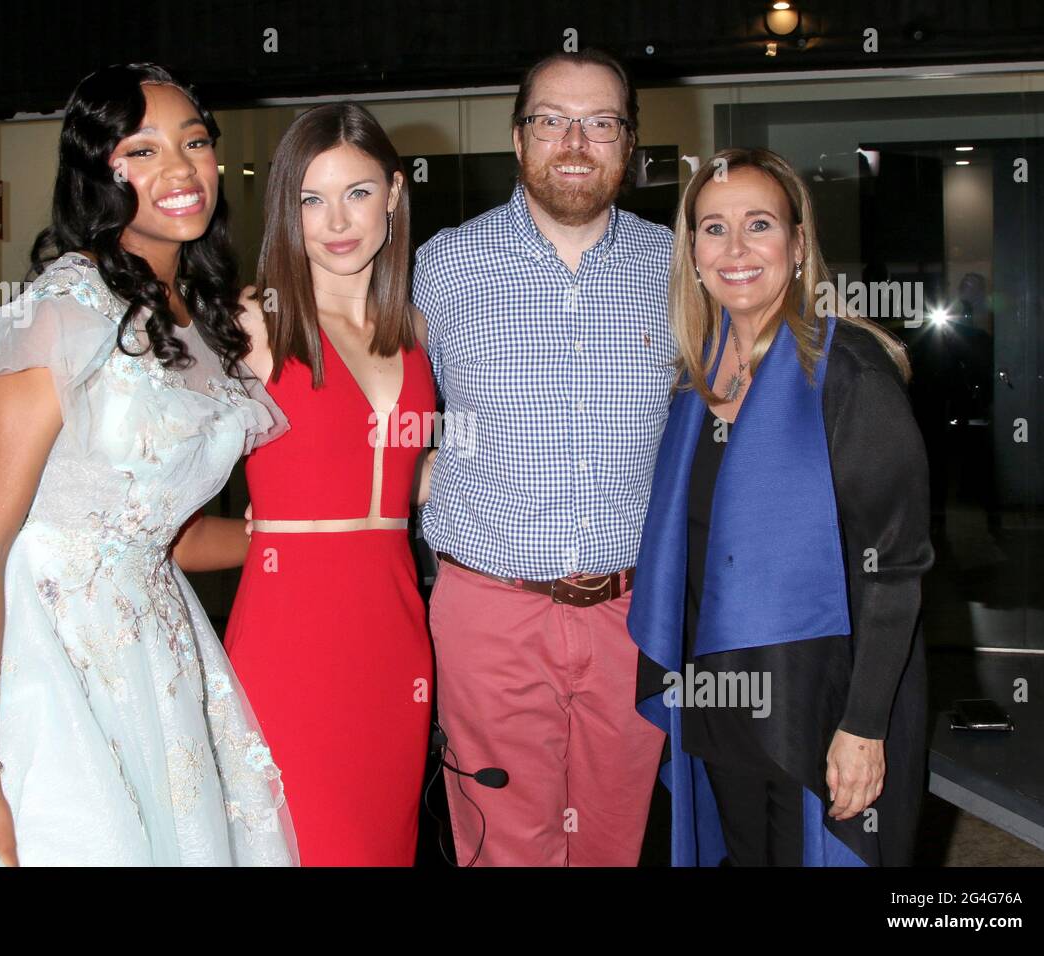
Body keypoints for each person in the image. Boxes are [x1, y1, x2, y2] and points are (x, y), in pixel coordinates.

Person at [0, 64, 297, 866]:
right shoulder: (60, 310)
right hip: (28, 655)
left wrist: (297, 538)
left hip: (156, 652)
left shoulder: (201, 317)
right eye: (143, 151)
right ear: (100, 172)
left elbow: (166, 539)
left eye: (194, 142)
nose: (181, 170)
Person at [628, 146, 932, 866]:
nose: (734, 249)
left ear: (798, 244)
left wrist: (864, 727)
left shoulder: (849, 372)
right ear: (692, 250)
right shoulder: (693, 383)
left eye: (758, 224)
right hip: (718, 698)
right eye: (713, 228)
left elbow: (897, 569)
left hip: (818, 706)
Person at [412, 49, 674, 866]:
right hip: (489, 611)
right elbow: (373, 398)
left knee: (613, 842)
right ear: (518, 140)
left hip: (632, 617)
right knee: (504, 846)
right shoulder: (440, 266)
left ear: (628, 146)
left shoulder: (680, 267)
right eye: (551, 120)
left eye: (600, 123)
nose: (574, 141)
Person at [223, 103, 437, 866]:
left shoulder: (412, 331)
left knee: (384, 845)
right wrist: (248, 530)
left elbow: (408, 483)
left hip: (396, 635)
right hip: (292, 634)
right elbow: (153, 480)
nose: (336, 221)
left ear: (395, 194)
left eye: (356, 193)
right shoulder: (253, 323)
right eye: (311, 199)